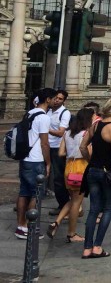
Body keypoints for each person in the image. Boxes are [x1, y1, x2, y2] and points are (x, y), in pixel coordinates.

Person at [79, 98, 111, 259]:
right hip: (109, 173)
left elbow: (82, 147)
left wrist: (89, 161)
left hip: (93, 171)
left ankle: (86, 248)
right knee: (107, 210)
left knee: (93, 210)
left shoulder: (95, 126)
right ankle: (97, 247)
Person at [47, 108, 94, 243]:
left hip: (69, 167)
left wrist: (71, 152)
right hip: (81, 168)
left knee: (72, 199)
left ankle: (56, 223)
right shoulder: (86, 133)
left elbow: (61, 153)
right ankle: (71, 234)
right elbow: (87, 151)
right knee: (77, 203)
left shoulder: (67, 133)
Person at [15, 87, 54, 239]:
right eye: (52, 98)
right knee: (36, 195)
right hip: (36, 160)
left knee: (23, 192)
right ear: (48, 100)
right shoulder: (44, 117)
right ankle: (29, 228)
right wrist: (48, 162)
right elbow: (45, 143)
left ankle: (20, 225)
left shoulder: (29, 113)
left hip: (25, 158)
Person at [47, 90, 71, 217]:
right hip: (46, 146)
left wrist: (46, 128)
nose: (57, 100)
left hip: (57, 148)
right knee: (43, 174)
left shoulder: (64, 113)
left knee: (58, 177)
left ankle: (63, 205)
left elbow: (61, 132)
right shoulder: (48, 110)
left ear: (63, 101)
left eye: (60, 99)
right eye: (56, 98)